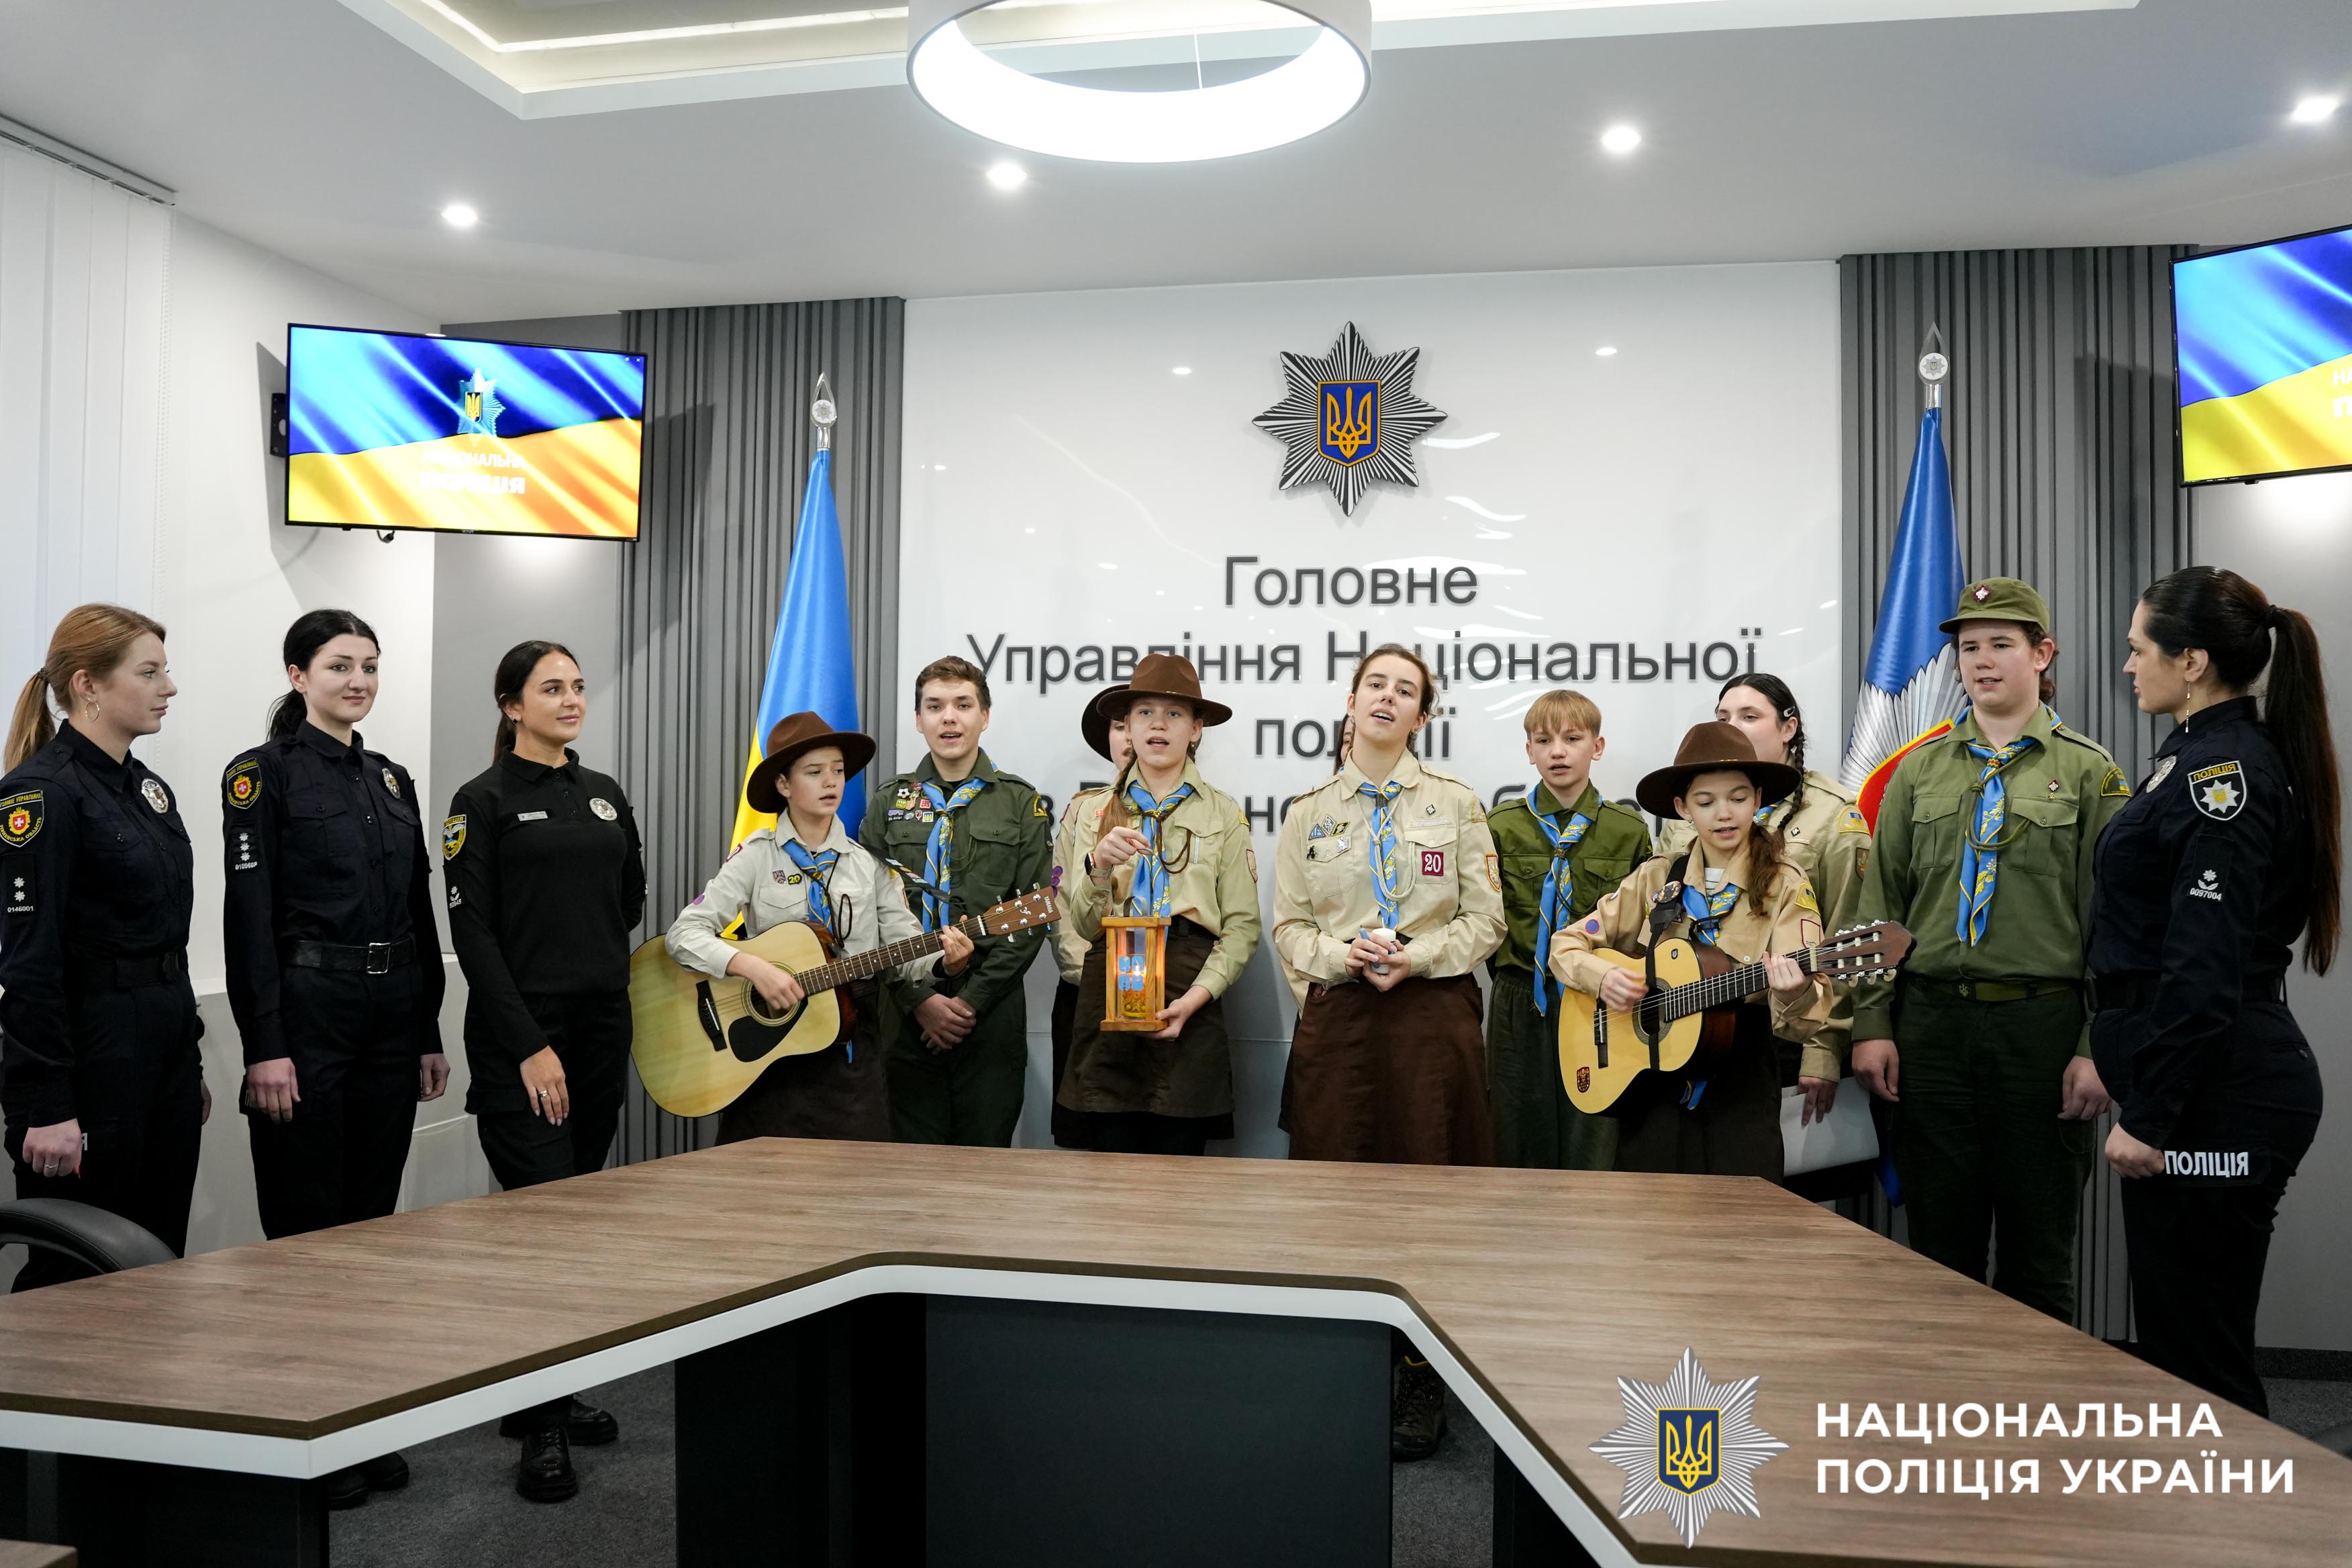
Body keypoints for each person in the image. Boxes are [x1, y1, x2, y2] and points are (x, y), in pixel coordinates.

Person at [219, 609, 448, 1509]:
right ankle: (304, 1434)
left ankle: (359, 1418)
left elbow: (418, 908)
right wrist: (265, 1046)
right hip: (309, 1015)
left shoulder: (390, 778)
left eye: (370, 667)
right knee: (307, 1234)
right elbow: (249, 918)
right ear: (297, 674)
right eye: (340, 666)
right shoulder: (261, 774)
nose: (359, 681)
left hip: (391, 1015)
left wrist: (428, 1027)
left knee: (370, 1230)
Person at [1851, 577, 2126, 1323]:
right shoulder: (1918, 770)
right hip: (1931, 1027)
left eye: (2001, 644)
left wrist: (2096, 1043)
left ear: (2042, 654)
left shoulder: (2091, 772)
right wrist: (1872, 1022)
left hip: (2041, 1031)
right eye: (1968, 647)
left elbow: (2115, 926)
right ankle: (1951, 1396)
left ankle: (2034, 1399)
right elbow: (1881, 907)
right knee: (1940, 1257)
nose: (1980, 660)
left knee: (2040, 1257)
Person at [2090, 567, 2331, 1416]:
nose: (2129, 665)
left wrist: (2153, 1113)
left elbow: (2204, 968)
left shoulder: (2221, 776)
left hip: (2216, 1095)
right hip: (2200, 1084)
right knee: (2182, 1351)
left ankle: (2244, 1504)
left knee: (2201, 1368)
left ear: (2191, 661)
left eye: (2138, 648)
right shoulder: (2194, 757)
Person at [1271, 644, 1503, 1463]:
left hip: (1430, 1017)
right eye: (1376, 683)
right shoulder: (1308, 811)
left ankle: (1422, 1373)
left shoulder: (1457, 803)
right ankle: (1341, 1362)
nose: (1387, 697)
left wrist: (1419, 956)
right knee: (1335, 1192)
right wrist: (1343, 956)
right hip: (1343, 1019)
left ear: (1421, 715)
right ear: (1351, 699)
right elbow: (1289, 926)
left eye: (1406, 690)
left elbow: (1487, 919)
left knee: (1430, 1196)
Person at [444, 639, 645, 1503]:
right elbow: (473, 933)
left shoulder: (604, 793)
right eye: (551, 687)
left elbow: (629, 900)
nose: (571, 699)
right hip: (522, 1036)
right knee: (541, 1228)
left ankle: (548, 1389)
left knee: (577, 1220)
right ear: (510, 703)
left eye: (578, 686)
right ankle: (542, 1425)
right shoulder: (480, 800)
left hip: (600, 1027)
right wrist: (529, 1042)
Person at [1, 605, 209, 1293]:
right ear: (88, 684)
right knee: (78, 1277)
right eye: (149, 672)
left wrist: (187, 1059)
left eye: (165, 670)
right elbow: (29, 963)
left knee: (155, 1260)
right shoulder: (42, 793)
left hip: (161, 1056)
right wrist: (48, 1103)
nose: (169, 687)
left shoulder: (146, 790)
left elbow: (165, 938)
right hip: (91, 1063)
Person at [668, 713, 973, 1141]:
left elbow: (907, 952)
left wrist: (947, 963)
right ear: (783, 784)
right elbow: (683, 935)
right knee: (764, 1171)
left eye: (838, 770)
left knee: (855, 1170)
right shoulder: (756, 857)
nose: (831, 782)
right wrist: (753, 968)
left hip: (850, 1047)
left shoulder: (870, 865)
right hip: (770, 1053)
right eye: (814, 772)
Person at [1549, 723, 1830, 1181]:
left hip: (1740, 1079)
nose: (1724, 814)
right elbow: (1565, 944)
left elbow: (1805, 1021)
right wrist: (1603, 978)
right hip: (1652, 1083)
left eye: (1738, 798)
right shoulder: (1658, 877)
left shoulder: (1785, 884)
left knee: (1742, 1210)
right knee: (1651, 1213)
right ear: (1683, 808)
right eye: (1706, 802)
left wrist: (1793, 991)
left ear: (1758, 799)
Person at [1057, 656, 1261, 1155]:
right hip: (1111, 983)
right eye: (1145, 713)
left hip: (1189, 988)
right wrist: (1099, 867)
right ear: (1128, 727)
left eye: (1174, 714)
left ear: (1196, 729)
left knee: (1180, 1171)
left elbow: (1242, 927)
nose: (1158, 726)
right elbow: (1082, 924)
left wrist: (1196, 999)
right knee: (1108, 1164)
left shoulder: (1224, 813)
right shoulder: (1094, 811)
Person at [1657, 673, 1869, 1124]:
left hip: (1778, 1029)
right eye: (1723, 718)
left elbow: (1845, 934)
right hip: (1679, 1024)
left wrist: (1824, 1050)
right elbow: (1660, 908)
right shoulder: (1689, 807)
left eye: (1749, 716)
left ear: (1788, 728)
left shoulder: (1831, 814)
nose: (1733, 728)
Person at [861, 656, 1050, 1147]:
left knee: (984, 1166)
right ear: (918, 719)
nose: (949, 718)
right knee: (908, 1166)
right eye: (935, 706)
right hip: (904, 1011)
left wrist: (969, 1002)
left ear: (984, 716)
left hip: (990, 1013)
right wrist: (920, 1001)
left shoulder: (1021, 804)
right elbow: (865, 916)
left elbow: (1033, 915)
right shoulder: (888, 802)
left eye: (963, 705)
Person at [1483, 689, 1650, 1171]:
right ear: (1529, 751)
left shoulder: (1627, 830)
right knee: (1515, 1134)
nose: (1557, 752)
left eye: (1572, 739)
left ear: (1597, 747)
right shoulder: (1501, 826)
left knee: (1593, 1133)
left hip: (1597, 999)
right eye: (1544, 740)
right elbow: (1484, 914)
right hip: (1521, 997)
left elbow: (1641, 928)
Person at [1048, 693, 1133, 1148]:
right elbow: (1061, 901)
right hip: (1087, 993)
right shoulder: (1083, 810)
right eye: (1119, 727)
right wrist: (1091, 976)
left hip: (1165, 994)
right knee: (1086, 1148)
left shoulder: (1203, 810)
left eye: (1136, 723)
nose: (1130, 737)